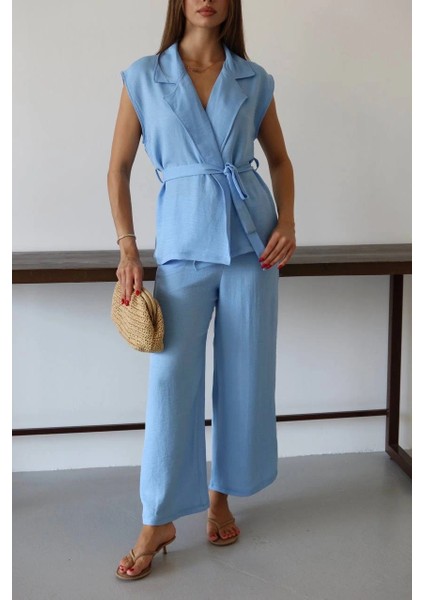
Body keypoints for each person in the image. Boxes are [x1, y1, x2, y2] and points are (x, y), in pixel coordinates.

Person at [107, 0, 295, 582]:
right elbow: (117, 169)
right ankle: (157, 519)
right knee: (170, 383)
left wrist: (288, 221)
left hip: (252, 247)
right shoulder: (145, 75)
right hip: (183, 247)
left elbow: (280, 161)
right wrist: (128, 249)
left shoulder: (253, 78)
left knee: (244, 376)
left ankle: (221, 496)